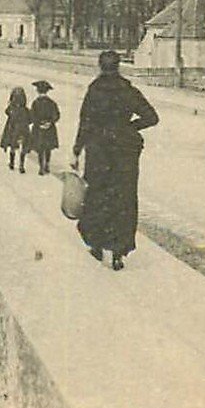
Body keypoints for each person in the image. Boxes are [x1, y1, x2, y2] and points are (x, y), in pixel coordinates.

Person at [73, 50, 159, 271]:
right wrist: (129, 127)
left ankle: (97, 244)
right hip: (124, 150)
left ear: (100, 66)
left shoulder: (94, 90)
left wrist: (76, 150)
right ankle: (118, 251)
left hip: (99, 150)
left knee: (97, 195)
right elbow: (152, 117)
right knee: (123, 198)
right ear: (119, 66)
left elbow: (85, 122)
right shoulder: (128, 90)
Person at [27, 80, 61, 175]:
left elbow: (32, 116)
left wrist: (38, 124)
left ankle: (41, 167)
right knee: (48, 148)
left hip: (38, 129)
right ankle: (47, 165)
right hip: (50, 129)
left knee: (40, 148)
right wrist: (50, 123)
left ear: (37, 91)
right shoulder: (52, 103)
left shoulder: (35, 102)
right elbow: (57, 115)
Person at [1, 85, 32, 172]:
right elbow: (30, 119)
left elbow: (7, 112)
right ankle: (21, 166)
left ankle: (12, 163)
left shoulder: (11, 109)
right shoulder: (26, 110)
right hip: (24, 129)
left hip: (13, 129)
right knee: (23, 148)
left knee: (13, 147)